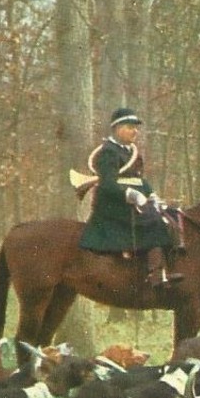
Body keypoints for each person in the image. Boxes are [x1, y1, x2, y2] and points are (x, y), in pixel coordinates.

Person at [77, 107, 182, 289]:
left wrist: (152, 195)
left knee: (170, 215)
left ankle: (167, 266)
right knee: (155, 222)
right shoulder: (108, 152)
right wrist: (130, 194)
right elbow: (107, 184)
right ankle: (155, 274)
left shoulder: (131, 152)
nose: (135, 131)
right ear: (117, 129)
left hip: (133, 202)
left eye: (136, 127)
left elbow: (139, 180)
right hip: (113, 206)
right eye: (130, 127)